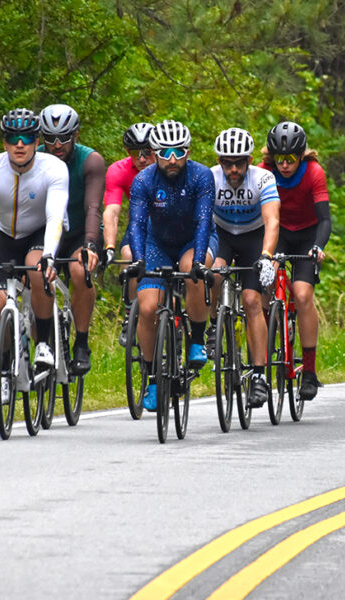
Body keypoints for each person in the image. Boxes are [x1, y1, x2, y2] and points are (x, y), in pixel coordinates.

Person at [0, 109, 69, 404]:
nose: (19, 144)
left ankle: (44, 343)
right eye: (12, 138)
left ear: (36, 142)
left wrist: (49, 255)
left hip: (39, 231)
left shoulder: (54, 169)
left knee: (36, 269)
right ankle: (5, 371)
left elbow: (56, 215)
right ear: (4, 142)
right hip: (4, 235)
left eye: (27, 138)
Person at [127, 120, 217, 411]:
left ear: (188, 152)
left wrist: (200, 261)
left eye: (179, 151)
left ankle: (198, 340)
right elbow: (137, 225)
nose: (173, 158)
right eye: (166, 152)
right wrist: (139, 261)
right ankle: (152, 378)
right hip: (157, 244)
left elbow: (204, 221)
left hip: (194, 239)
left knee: (193, 270)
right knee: (149, 307)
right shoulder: (143, 181)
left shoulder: (202, 176)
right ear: (154, 154)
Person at [259, 121, 331, 401]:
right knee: (263, 288)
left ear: (301, 156)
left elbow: (325, 219)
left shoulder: (314, 172)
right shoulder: (264, 172)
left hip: (306, 236)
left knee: (302, 295)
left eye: (290, 159)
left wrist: (317, 246)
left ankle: (310, 371)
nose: (285, 165)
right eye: (280, 159)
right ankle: (262, 358)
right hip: (277, 233)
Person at [209, 127, 280, 408]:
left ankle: (260, 376)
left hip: (253, 237)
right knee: (213, 273)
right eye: (227, 163)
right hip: (222, 235)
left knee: (251, 300)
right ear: (219, 161)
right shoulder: (210, 177)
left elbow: (272, 220)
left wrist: (266, 255)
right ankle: (213, 327)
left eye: (240, 162)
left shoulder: (263, 178)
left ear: (250, 160)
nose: (234, 169)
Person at [37, 104, 105, 375]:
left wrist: (89, 244)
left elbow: (92, 208)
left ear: (76, 135)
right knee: (34, 277)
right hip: (44, 232)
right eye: (50, 138)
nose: (57, 145)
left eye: (64, 138)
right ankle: (42, 344)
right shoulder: (34, 158)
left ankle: (81, 342)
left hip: (80, 231)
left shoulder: (90, 161)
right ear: (41, 138)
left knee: (79, 270)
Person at [102, 122, 156, 269]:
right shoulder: (119, 171)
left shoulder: (170, 167)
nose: (142, 159)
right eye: (135, 153)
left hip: (171, 223)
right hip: (139, 223)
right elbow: (112, 212)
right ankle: (129, 292)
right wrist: (110, 247)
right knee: (128, 255)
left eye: (147, 152)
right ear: (127, 151)